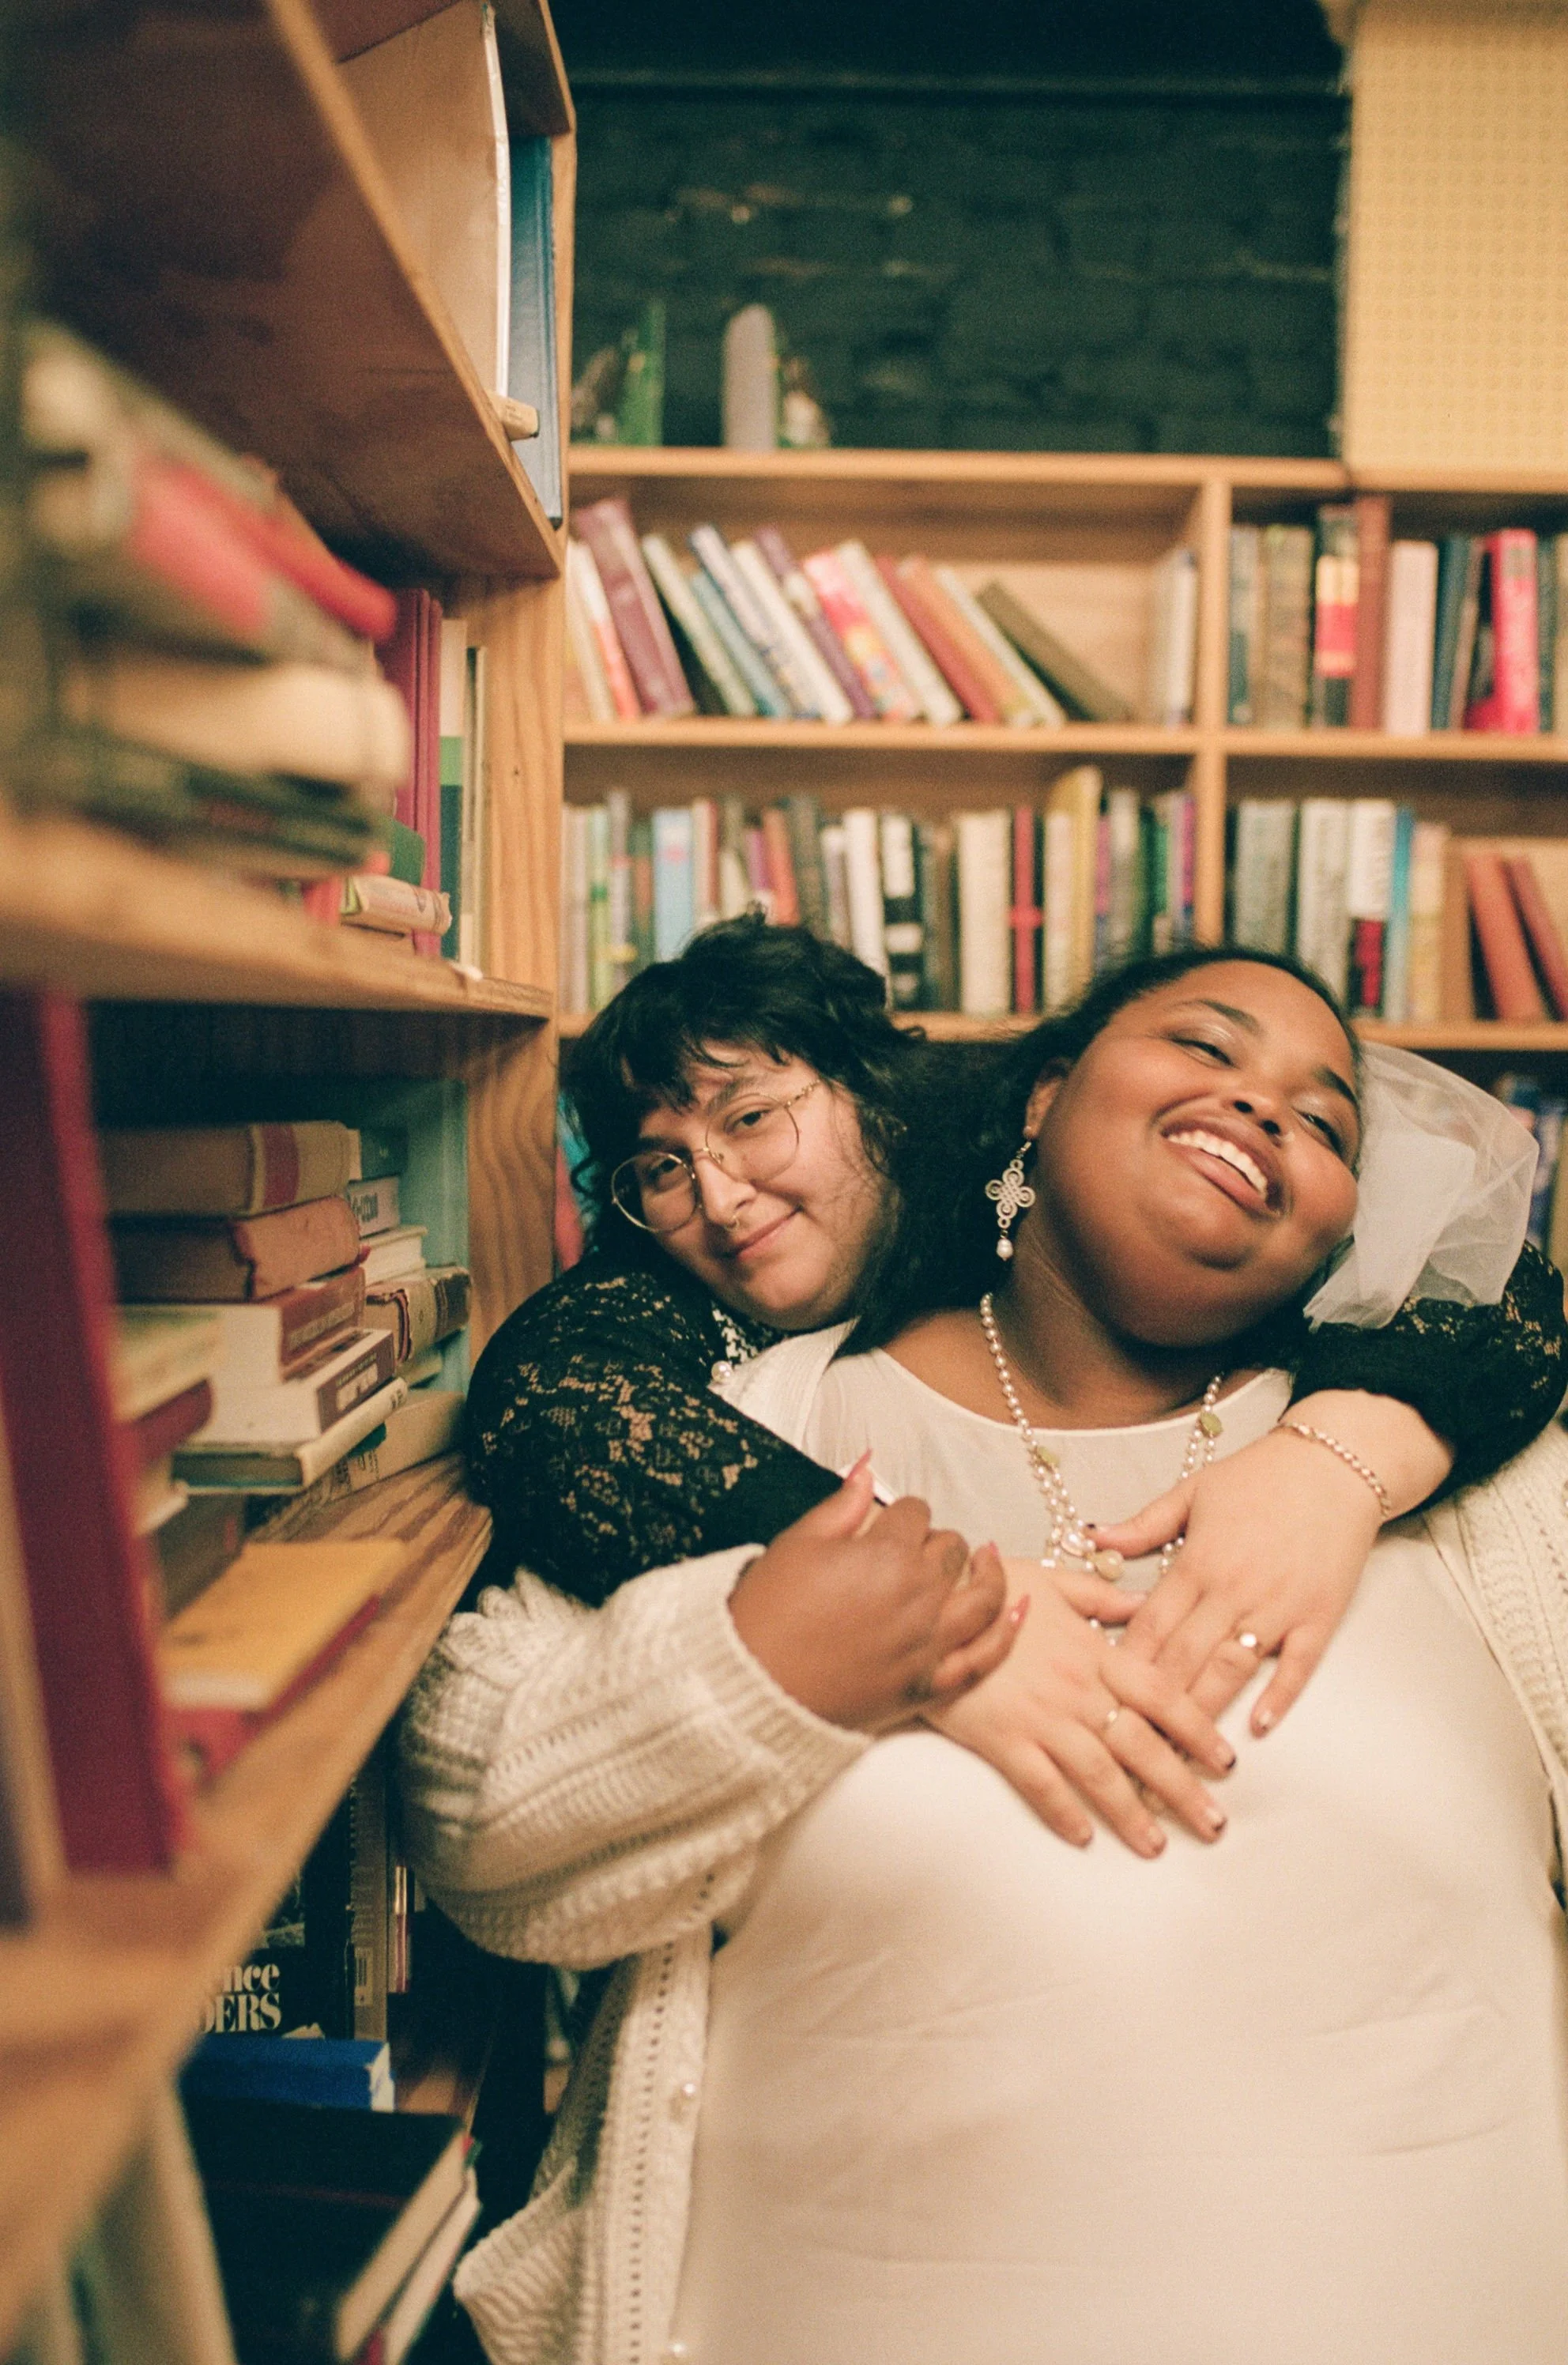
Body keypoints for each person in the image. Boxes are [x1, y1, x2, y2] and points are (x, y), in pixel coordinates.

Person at [404, 946, 1568, 2365]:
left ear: (1349, 1223)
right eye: (1205, 1048)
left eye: (1323, 1122)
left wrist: (1338, 1458)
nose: (1262, 1109)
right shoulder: (708, 1429)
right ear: (1040, 1096)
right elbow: (479, 1833)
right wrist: (781, 1657)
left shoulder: (1480, 1478)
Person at [466, 918, 1567, 1790]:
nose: (718, 1193)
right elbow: (543, 1395)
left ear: (873, 1091)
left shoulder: (1010, 1131)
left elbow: (1498, 1280)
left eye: (752, 1118)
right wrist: (931, 1612)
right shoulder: (683, 1287)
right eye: (662, 1167)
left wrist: (1335, 1459)